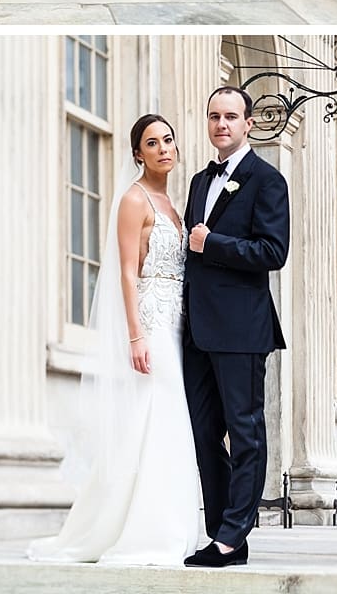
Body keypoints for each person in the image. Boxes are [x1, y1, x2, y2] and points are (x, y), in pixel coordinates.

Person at [27, 113, 202, 566]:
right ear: (137, 154)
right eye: (151, 142)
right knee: (160, 417)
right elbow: (126, 271)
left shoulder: (173, 206)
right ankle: (146, 531)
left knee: (161, 421)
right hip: (150, 321)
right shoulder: (134, 199)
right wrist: (136, 335)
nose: (163, 148)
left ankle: (171, 524)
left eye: (168, 140)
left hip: (178, 321)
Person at [181, 86, 289, 568]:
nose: (221, 124)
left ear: (248, 124)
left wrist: (214, 243)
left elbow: (273, 251)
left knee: (245, 434)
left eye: (230, 116)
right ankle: (224, 531)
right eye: (213, 116)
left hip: (243, 329)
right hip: (197, 331)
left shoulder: (267, 180)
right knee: (204, 433)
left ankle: (229, 537)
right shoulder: (200, 181)